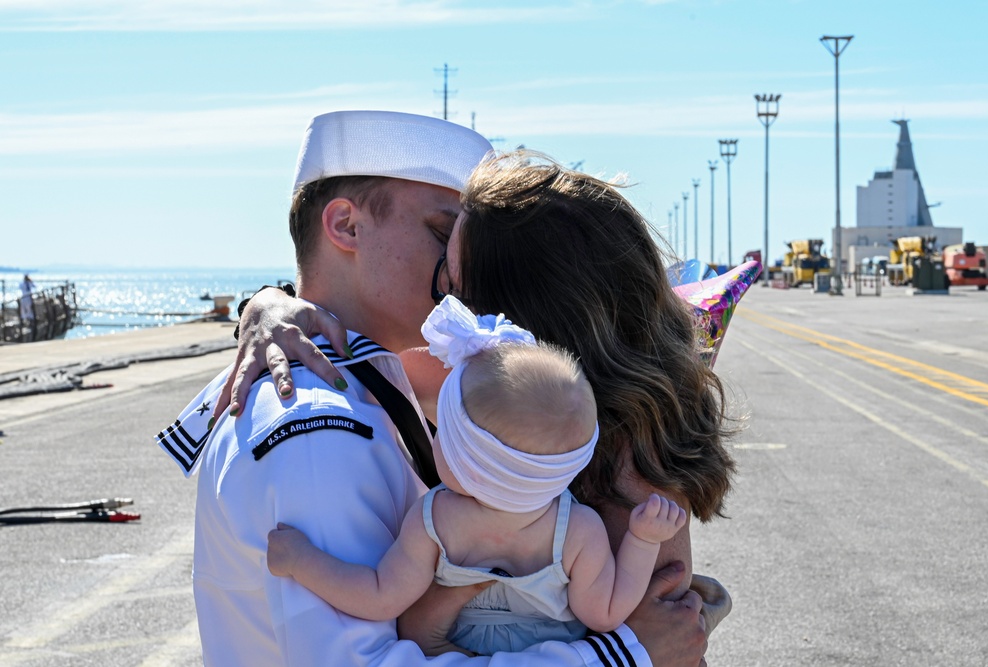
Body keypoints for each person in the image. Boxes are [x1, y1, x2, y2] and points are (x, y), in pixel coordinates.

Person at [157, 111, 709, 666]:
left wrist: (269, 301)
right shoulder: (314, 424)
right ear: (346, 226)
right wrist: (623, 656)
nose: (449, 280)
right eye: (442, 235)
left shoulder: (395, 389)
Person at [266, 295, 688, 656]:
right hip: (554, 656)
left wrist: (302, 561)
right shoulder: (577, 529)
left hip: (451, 651)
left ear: (464, 463)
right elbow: (607, 612)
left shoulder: (435, 521)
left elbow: (378, 596)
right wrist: (642, 541)